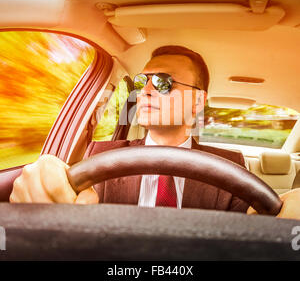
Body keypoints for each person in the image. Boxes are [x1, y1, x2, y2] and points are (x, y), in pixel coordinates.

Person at [9, 45, 300, 219]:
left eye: (163, 82)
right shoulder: (101, 154)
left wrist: (281, 219)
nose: (145, 91)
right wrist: (46, 178)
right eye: (141, 81)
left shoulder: (232, 166)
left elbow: (247, 234)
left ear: (198, 100)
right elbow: (72, 207)